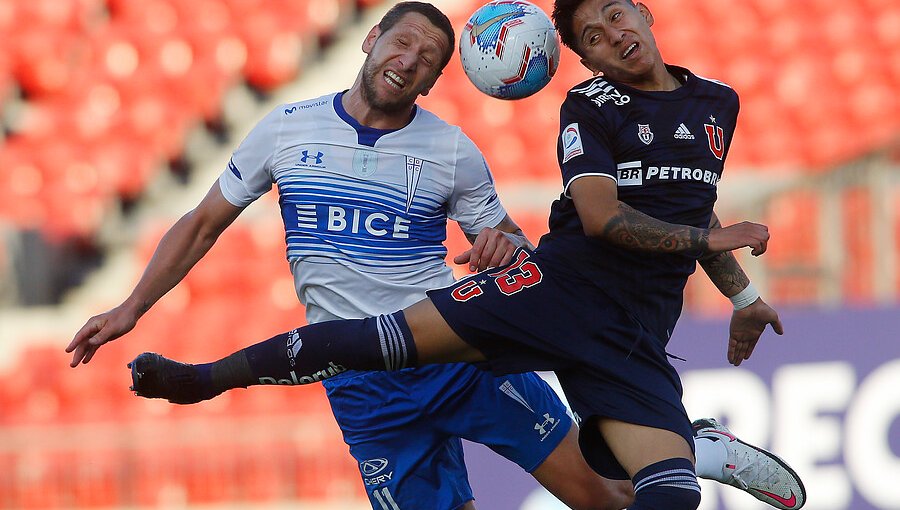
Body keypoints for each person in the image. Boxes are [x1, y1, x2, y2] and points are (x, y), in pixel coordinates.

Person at [68, 2, 806, 509]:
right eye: (401, 44)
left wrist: (499, 246)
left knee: (600, 498)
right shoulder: (283, 131)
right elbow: (201, 225)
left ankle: (683, 447)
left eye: (428, 58)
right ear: (369, 43)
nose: (410, 60)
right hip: (362, 389)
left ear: (437, 79)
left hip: (457, 356)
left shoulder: (452, 151)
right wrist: (132, 306)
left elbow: (520, 247)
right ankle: (680, 445)